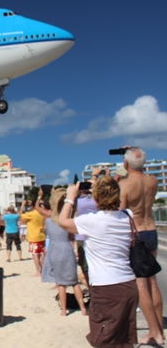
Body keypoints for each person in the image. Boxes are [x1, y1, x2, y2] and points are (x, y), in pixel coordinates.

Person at [58, 177, 138, 347]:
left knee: (104, 339)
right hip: (129, 284)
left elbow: (62, 221)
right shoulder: (128, 215)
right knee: (124, 338)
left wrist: (70, 197)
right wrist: (106, 186)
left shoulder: (92, 221)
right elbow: (119, 205)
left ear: (96, 197)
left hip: (106, 287)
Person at [118, 147, 163, 345]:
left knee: (141, 284)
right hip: (151, 229)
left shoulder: (125, 185)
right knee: (152, 281)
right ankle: (159, 326)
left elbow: (120, 213)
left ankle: (155, 332)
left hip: (136, 233)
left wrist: (120, 173)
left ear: (126, 164)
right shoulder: (153, 181)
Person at [41, 189, 87, 316]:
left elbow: (46, 233)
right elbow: (72, 237)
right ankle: (83, 308)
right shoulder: (68, 220)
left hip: (54, 250)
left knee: (61, 283)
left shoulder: (49, 221)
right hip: (67, 248)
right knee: (74, 282)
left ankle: (63, 310)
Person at [74, 183, 98, 287]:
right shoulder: (96, 201)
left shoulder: (77, 202)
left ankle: (91, 289)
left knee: (84, 266)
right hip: (96, 234)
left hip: (81, 235)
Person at [19, 194, 47, 277]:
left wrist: (22, 206)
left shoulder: (32, 214)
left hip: (34, 237)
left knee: (35, 254)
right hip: (41, 235)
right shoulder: (42, 213)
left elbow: (20, 215)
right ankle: (43, 270)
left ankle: (38, 271)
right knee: (42, 254)